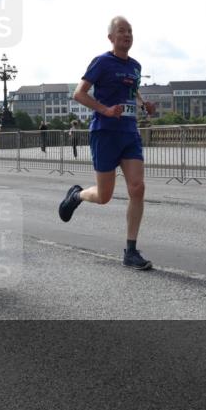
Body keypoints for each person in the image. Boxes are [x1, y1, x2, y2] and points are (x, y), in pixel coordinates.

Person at [58, 16, 157, 270]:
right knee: (104, 196)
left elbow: (132, 88)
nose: (127, 35)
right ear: (111, 37)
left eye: (130, 31)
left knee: (137, 187)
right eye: (121, 31)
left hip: (129, 133)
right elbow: (79, 93)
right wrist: (104, 109)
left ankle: (131, 251)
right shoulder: (102, 62)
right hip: (105, 132)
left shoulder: (135, 65)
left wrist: (144, 104)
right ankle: (77, 195)